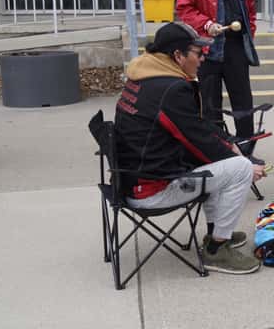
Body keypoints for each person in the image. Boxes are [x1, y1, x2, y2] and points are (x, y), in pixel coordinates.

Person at [114, 22, 266, 275]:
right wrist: (246, 164)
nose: (202, 57)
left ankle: (216, 233)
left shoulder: (143, 77)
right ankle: (217, 250)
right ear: (178, 56)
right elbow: (201, 140)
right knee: (237, 169)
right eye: (197, 52)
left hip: (133, 181)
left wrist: (229, 145)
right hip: (154, 190)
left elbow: (198, 128)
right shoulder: (170, 89)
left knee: (217, 162)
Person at [176, 0, 261, 142]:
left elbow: (251, 11)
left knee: (242, 100)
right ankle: (217, 149)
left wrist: (249, 34)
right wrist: (206, 24)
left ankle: (245, 147)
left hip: (235, 48)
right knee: (211, 104)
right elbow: (184, 8)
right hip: (208, 48)